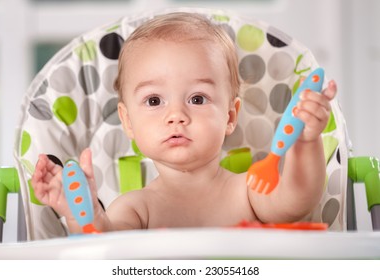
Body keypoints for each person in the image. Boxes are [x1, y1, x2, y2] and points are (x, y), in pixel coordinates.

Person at [32, 12, 337, 233]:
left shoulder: (246, 191)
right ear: (128, 122)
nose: (176, 115)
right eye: (154, 101)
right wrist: (82, 214)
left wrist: (305, 142)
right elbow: (104, 245)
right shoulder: (137, 208)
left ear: (230, 116)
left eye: (197, 99)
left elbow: (297, 201)